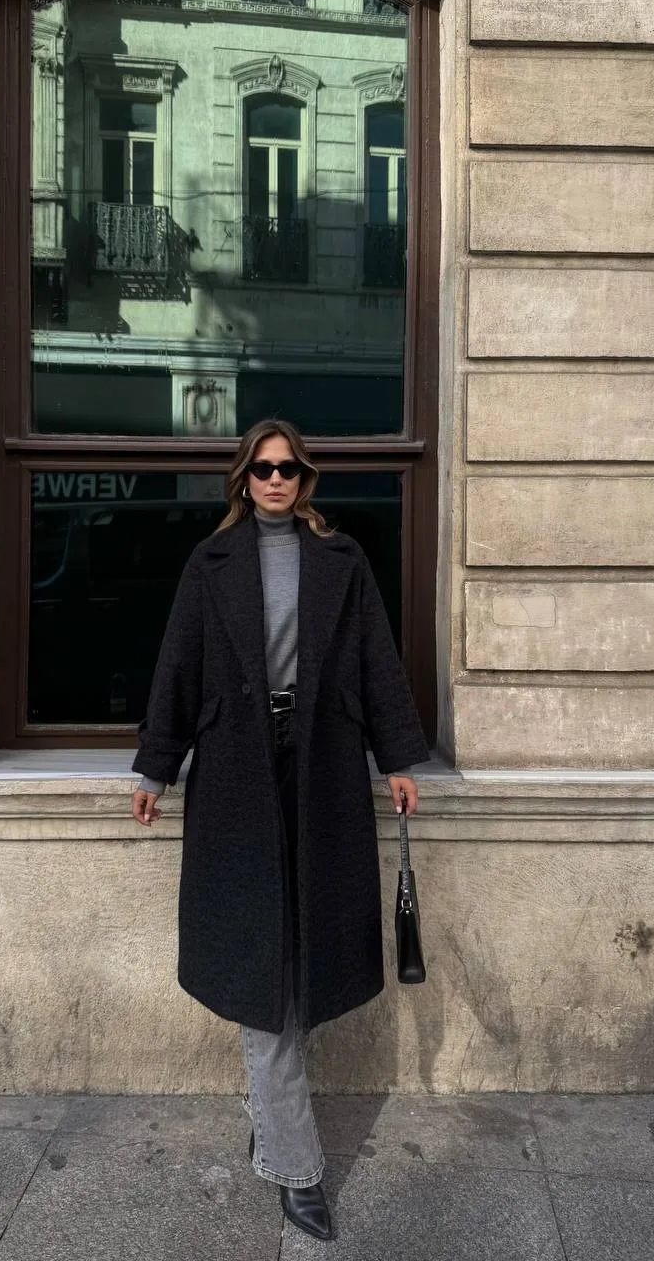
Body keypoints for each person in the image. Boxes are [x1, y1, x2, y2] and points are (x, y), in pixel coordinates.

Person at [131, 418, 428, 1240]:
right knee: (262, 963)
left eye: (288, 468)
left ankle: (270, 1116)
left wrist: (397, 758)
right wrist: (156, 768)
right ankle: (296, 1166)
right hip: (236, 770)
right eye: (261, 468)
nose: (274, 479)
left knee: (305, 959)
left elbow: (375, 660)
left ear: (304, 479)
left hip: (322, 765)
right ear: (242, 478)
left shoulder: (340, 559)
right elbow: (178, 666)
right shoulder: (211, 561)